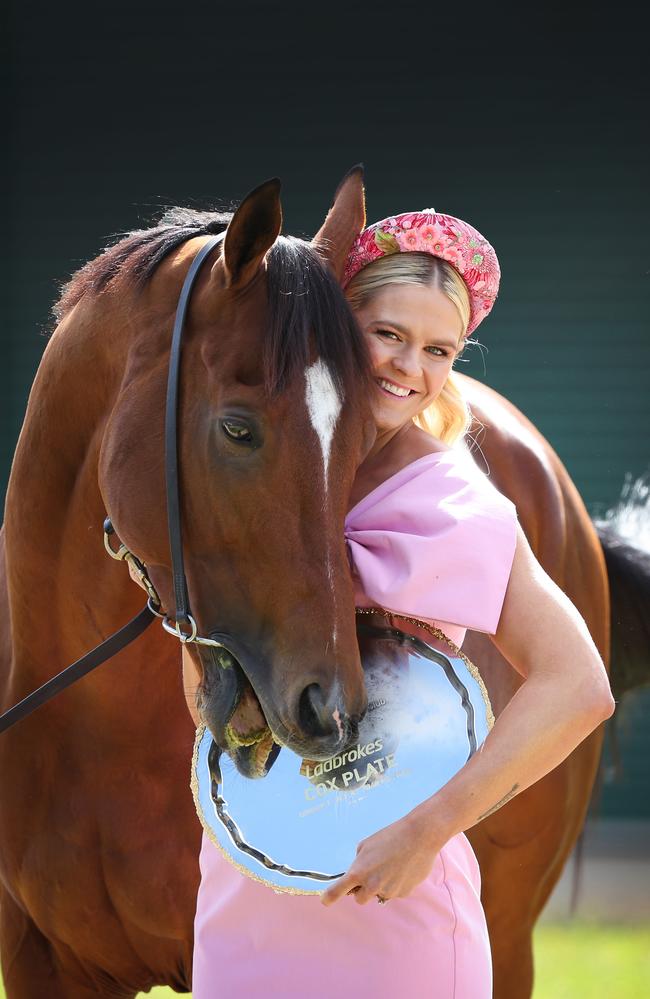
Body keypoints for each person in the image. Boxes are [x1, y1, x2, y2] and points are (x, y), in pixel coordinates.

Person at [187, 209, 614, 998]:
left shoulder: (457, 504)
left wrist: (429, 829)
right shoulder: (254, 471)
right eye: (388, 333)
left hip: (400, 912)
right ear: (337, 324)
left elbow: (578, 683)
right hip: (246, 895)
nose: (409, 367)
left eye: (439, 350)